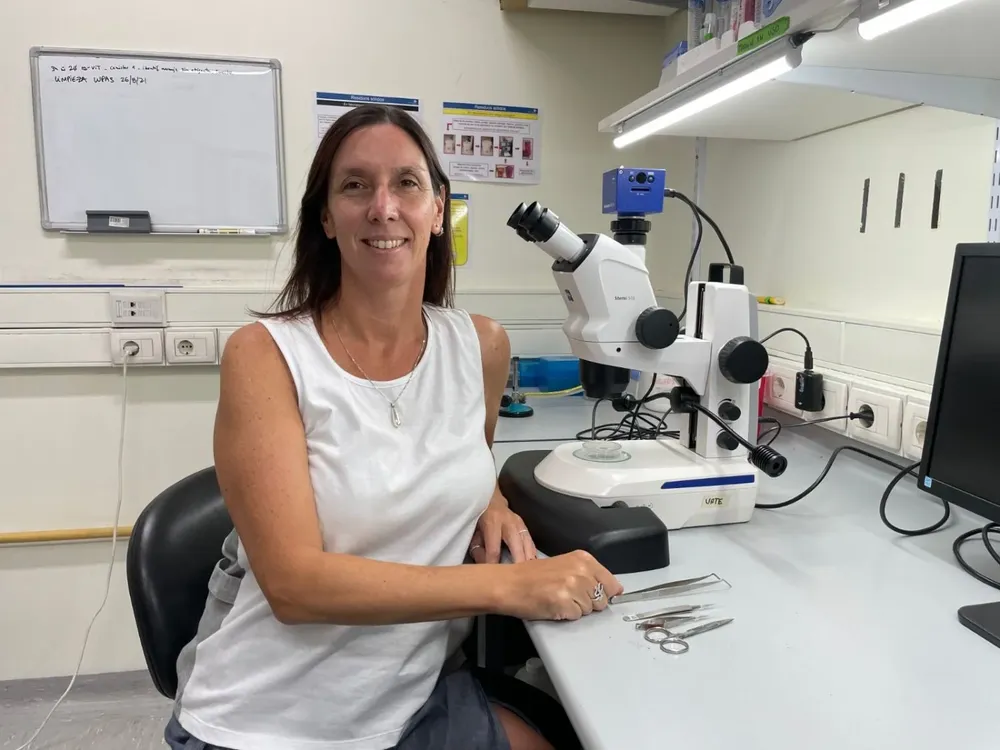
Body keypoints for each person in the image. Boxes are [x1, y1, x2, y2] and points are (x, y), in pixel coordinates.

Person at [163, 104, 623, 750]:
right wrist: (510, 586)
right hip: (271, 718)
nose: (383, 208)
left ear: (438, 210)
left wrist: (489, 498)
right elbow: (294, 585)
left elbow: (455, 455)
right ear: (326, 217)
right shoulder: (265, 356)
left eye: (406, 183)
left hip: (414, 695)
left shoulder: (482, 347)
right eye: (355, 186)